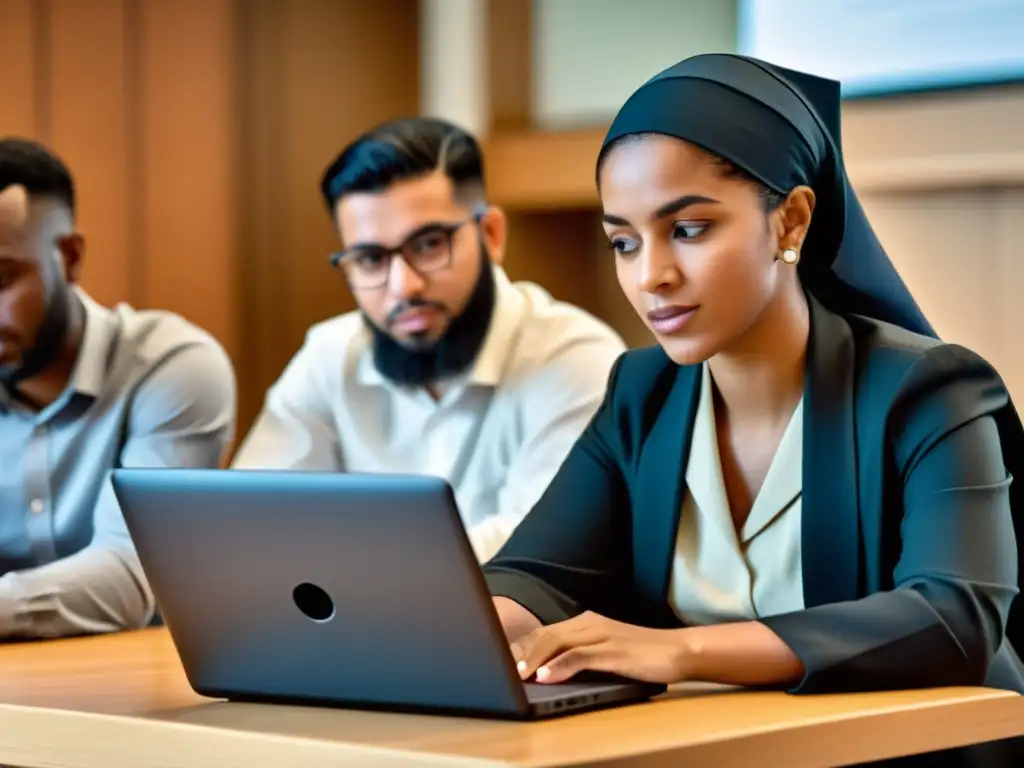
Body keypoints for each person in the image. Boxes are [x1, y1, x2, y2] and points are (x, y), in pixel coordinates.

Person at [482, 55, 1024, 764]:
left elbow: (955, 618)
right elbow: (539, 574)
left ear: (791, 220)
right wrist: (469, 629)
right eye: (624, 241)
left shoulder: (932, 389)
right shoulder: (639, 394)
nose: (651, 277)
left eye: (688, 230)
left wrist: (681, 652)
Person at [232, 117, 626, 562]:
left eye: (429, 245)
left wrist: (338, 563)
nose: (403, 286)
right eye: (369, 259)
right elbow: (247, 525)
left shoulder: (577, 360)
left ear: (491, 235)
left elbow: (538, 549)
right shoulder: (329, 356)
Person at [0, 138, 237, 639]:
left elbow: (131, 576)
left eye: (2, 278)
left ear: (69, 256)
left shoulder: (171, 367)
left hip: (139, 690)